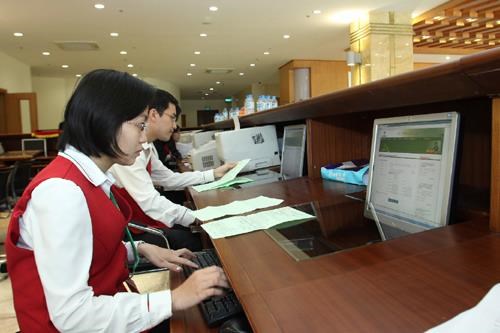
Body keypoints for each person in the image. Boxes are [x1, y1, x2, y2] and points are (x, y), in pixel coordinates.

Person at [5, 69, 228, 332]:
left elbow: (87, 248)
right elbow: (73, 317)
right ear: (106, 121)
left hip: (111, 304)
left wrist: (141, 248)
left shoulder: (86, 177)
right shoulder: (61, 193)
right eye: (139, 125)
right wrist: (173, 298)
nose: (144, 139)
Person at [109, 89, 235, 251]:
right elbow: (150, 202)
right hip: (135, 230)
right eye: (172, 118)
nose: (175, 126)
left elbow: (169, 179)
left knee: (195, 233)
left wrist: (213, 173)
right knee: (197, 241)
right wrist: (196, 217)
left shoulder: (147, 147)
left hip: (143, 219)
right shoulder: (129, 149)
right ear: (154, 114)